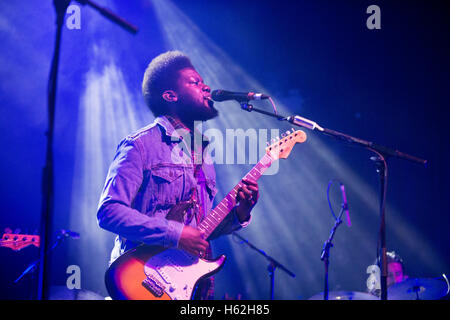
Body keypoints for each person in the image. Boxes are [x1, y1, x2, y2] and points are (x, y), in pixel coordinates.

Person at [96, 51, 259, 300]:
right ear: (171, 95)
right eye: (195, 82)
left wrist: (240, 213)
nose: (206, 87)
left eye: (203, 81)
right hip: (142, 280)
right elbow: (109, 212)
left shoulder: (204, 156)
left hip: (190, 287)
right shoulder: (140, 145)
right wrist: (175, 234)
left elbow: (201, 232)